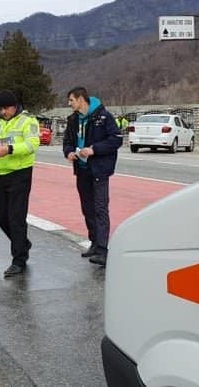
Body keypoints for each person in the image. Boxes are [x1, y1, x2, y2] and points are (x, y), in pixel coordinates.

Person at [0, 90, 40, 277]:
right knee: (2, 215)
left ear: (14, 106)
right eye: (1, 108)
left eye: (6, 108)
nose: (3, 111)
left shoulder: (28, 120)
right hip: (1, 173)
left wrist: (10, 149)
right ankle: (22, 243)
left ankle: (19, 260)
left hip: (20, 173)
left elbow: (33, 144)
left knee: (16, 218)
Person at [62, 87, 122, 266]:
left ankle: (103, 250)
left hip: (99, 170)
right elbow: (67, 141)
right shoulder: (73, 120)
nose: (69, 104)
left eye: (71, 100)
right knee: (87, 208)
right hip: (82, 170)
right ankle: (94, 243)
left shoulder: (103, 117)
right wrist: (69, 152)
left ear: (81, 99)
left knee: (100, 208)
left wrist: (94, 149)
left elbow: (116, 139)